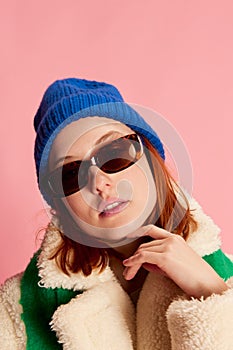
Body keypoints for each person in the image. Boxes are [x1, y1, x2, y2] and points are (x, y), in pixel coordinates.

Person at [1, 78, 233, 350]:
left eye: (114, 153)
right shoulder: (14, 311)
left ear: (152, 160)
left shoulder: (222, 276)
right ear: (60, 205)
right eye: (70, 174)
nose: (98, 183)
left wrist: (209, 290)